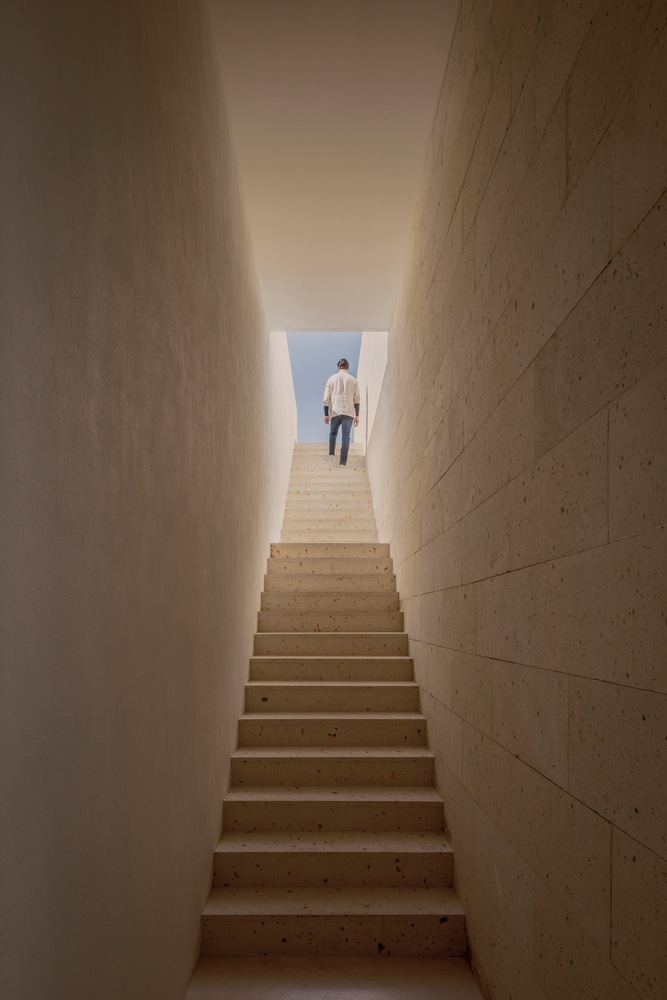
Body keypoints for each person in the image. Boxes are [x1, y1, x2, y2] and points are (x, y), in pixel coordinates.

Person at [323, 358, 360, 466]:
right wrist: (357, 415)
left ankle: (331, 455)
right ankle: (343, 463)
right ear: (348, 368)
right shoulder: (353, 380)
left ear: (338, 367)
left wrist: (326, 414)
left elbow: (326, 398)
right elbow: (357, 399)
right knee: (346, 436)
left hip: (335, 411)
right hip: (348, 412)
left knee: (333, 433)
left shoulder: (331, 379)